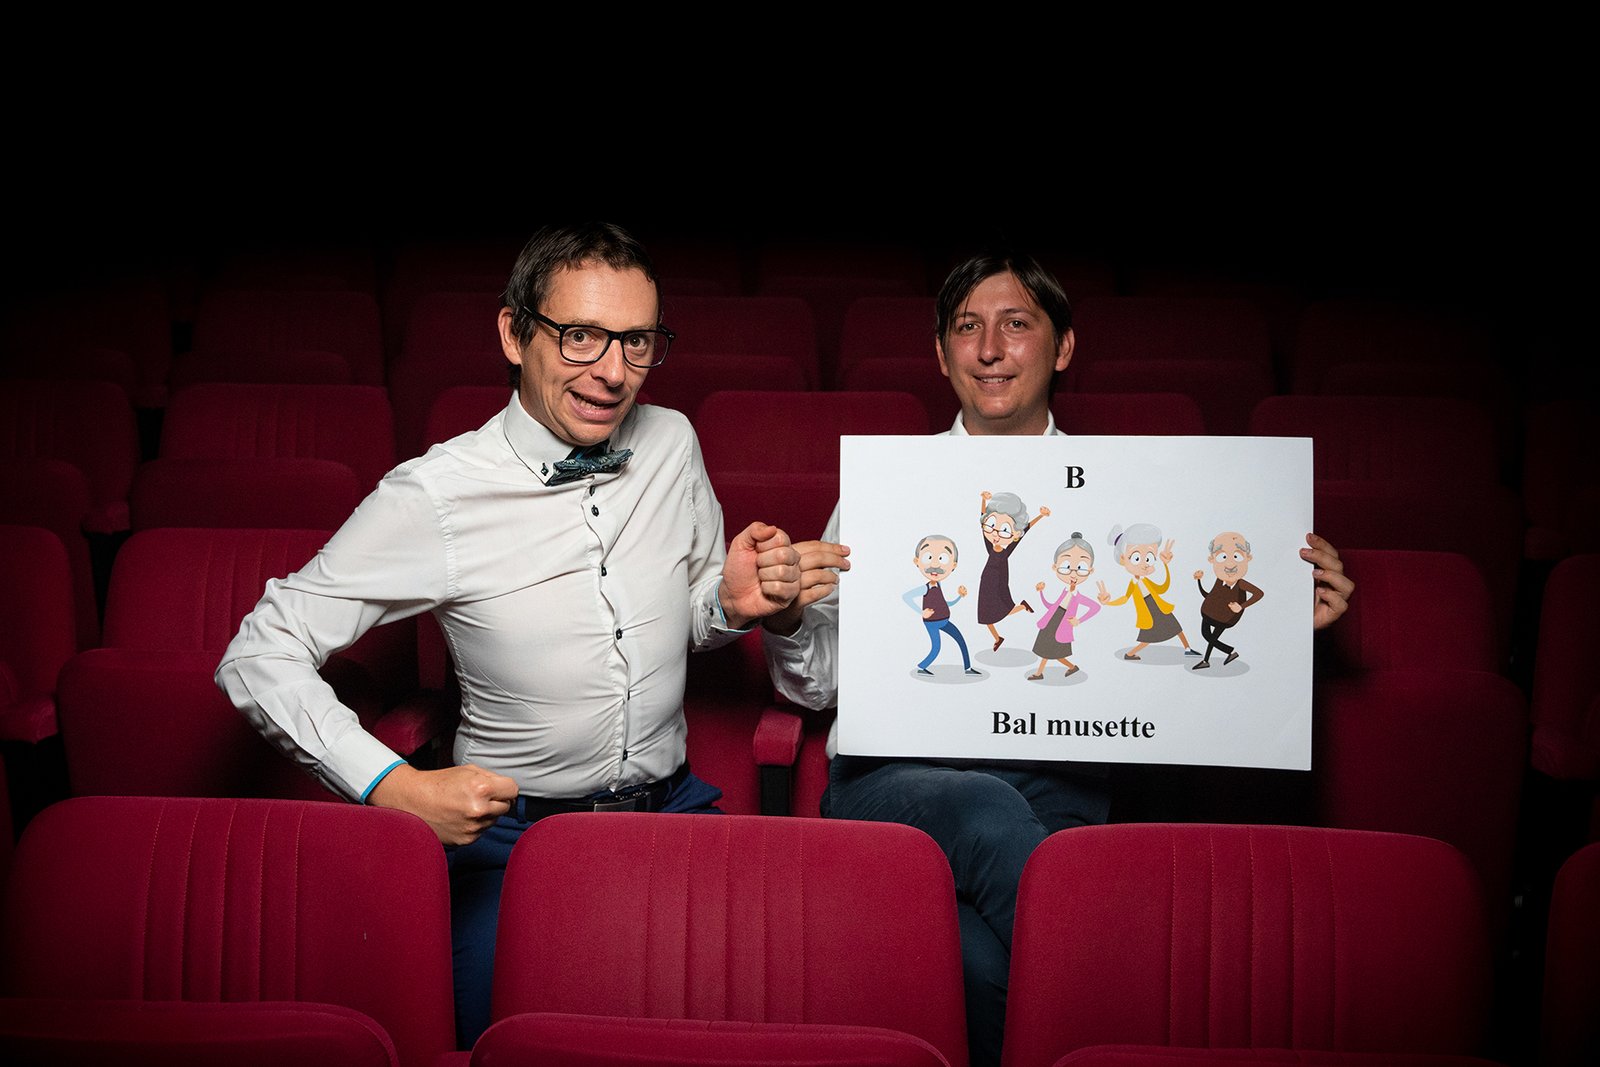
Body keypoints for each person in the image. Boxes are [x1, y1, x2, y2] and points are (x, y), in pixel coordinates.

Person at [760, 248, 1354, 1067]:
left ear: (1063, 346)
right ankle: (1127, 1001)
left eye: (1016, 324)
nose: (990, 348)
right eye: (967, 328)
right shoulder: (886, 488)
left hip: (1062, 781)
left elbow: (1172, 653)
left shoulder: (1134, 491)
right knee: (986, 816)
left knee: (986, 972)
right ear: (941, 353)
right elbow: (816, 685)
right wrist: (790, 617)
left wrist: (1286, 624)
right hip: (893, 777)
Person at [216, 221, 801, 1049]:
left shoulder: (672, 442)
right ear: (512, 331)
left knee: (739, 1025)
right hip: (515, 838)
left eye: (637, 341)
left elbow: (689, 619)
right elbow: (260, 650)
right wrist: (391, 783)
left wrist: (728, 604)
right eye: (581, 335)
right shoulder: (435, 495)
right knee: (494, 1038)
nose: (613, 370)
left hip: (674, 810)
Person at [976, 490, 1045, 651]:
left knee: (994, 613)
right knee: (987, 614)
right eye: (992, 526)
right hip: (986, 582)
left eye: (1004, 530)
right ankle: (1000, 634)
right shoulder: (990, 546)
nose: (996, 534)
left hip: (997, 583)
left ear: (1014, 534)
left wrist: (1040, 516)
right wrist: (983, 501)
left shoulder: (1006, 552)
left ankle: (1016, 613)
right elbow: (981, 521)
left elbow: (1025, 530)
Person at [904, 533, 981, 676]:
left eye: (942, 558)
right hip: (932, 622)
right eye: (928, 557)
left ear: (953, 565)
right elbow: (907, 597)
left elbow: (945, 603)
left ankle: (968, 668)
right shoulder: (925, 588)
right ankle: (922, 666)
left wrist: (959, 597)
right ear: (917, 561)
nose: (935, 564)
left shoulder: (938, 584)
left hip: (944, 620)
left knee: (960, 640)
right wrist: (921, 612)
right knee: (936, 647)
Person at [1191, 530, 1265, 668]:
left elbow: (1259, 593)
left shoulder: (1241, 583)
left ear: (1247, 558)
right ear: (1212, 560)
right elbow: (1210, 596)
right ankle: (1227, 653)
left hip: (1226, 616)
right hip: (1209, 611)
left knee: (1211, 638)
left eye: (1237, 556)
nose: (1230, 564)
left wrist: (1241, 606)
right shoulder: (1219, 580)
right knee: (1207, 635)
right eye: (1222, 557)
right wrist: (1199, 582)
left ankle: (1208, 660)